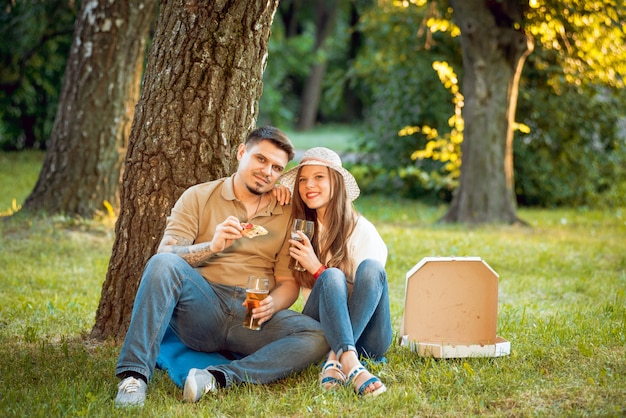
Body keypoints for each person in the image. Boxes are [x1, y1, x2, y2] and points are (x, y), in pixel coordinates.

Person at [114, 127, 329, 407]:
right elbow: (165, 254)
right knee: (163, 263)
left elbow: (288, 283)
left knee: (320, 335)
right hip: (201, 307)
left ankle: (218, 378)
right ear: (241, 152)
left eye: (277, 167)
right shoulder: (199, 196)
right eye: (260, 159)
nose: (267, 171)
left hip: (252, 314)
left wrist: (272, 305)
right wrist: (212, 246)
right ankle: (133, 377)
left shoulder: (286, 211)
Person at [279, 147, 392, 397]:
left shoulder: (362, 231)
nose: (310, 185)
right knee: (331, 276)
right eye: (303, 180)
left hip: (368, 336)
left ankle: (337, 359)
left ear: (336, 183)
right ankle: (350, 364)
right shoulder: (302, 230)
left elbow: (371, 288)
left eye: (319, 177)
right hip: (322, 329)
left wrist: (317, 268)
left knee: (371, 268)